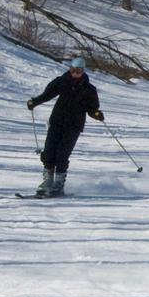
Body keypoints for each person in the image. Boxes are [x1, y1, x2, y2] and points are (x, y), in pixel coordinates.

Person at [25, 56, 104, 196]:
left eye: (78, 71)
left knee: (62, 154)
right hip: (57, 121)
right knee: (48, 153)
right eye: (73, 70)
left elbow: (92, 108)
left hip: (74, 125)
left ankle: (58, 185)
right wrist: (35, 102)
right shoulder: (61, 81)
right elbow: (47, 94)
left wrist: (96, 114)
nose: (75, 73)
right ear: (69, 69)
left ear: (83, 71)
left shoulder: (89, 89)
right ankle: (47, 182)